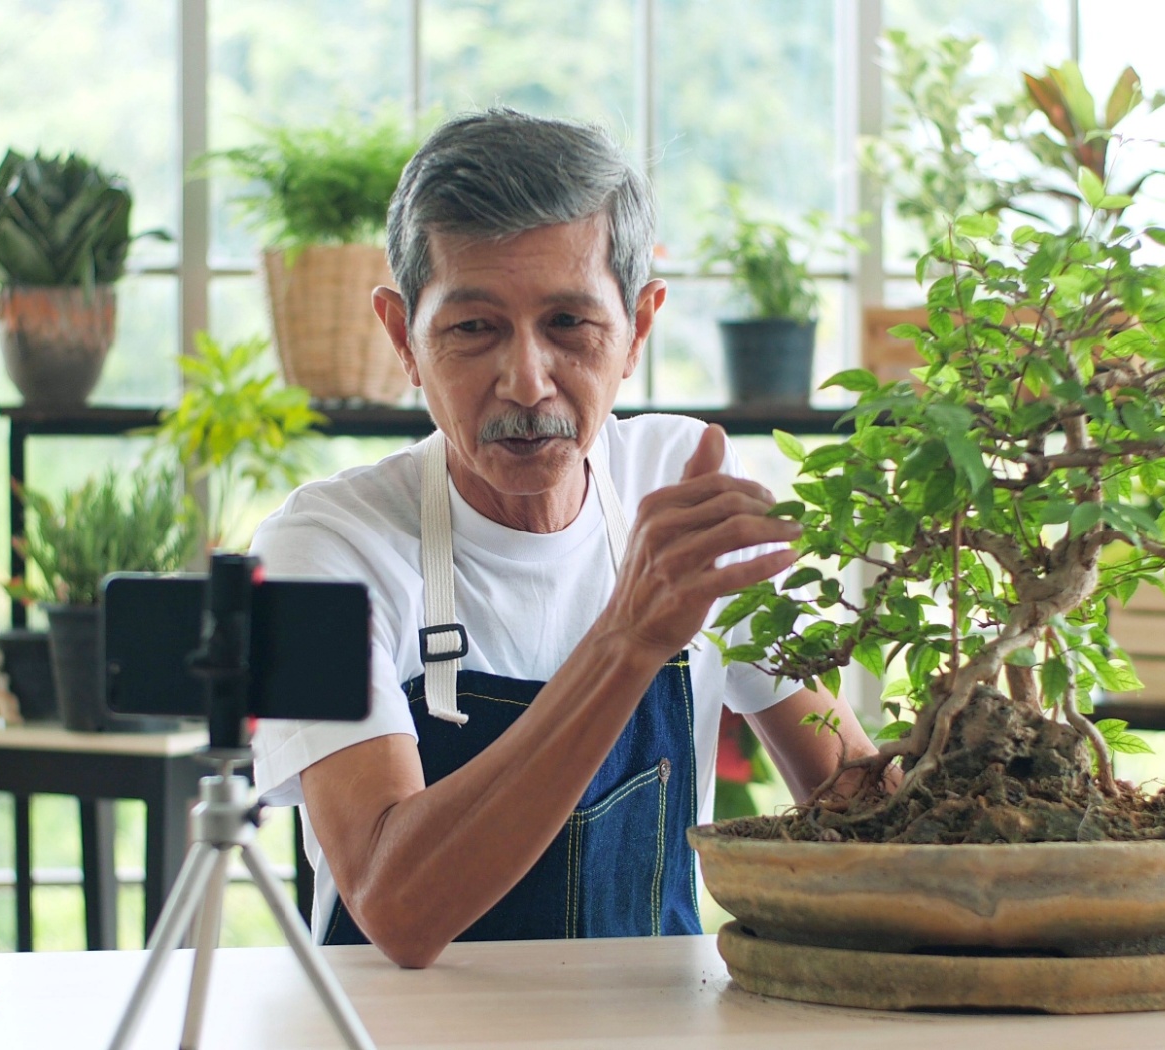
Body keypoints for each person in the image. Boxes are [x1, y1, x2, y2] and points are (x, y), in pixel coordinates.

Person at [250, 108, 875, 969]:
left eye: (569, 326)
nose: (526, 379)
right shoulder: (322, 551)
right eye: (473, 328)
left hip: (658, 1031)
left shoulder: (679, 480)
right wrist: (631, 636)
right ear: (402, 337)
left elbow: (852, 804)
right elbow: (394, 904)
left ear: (638, 330)